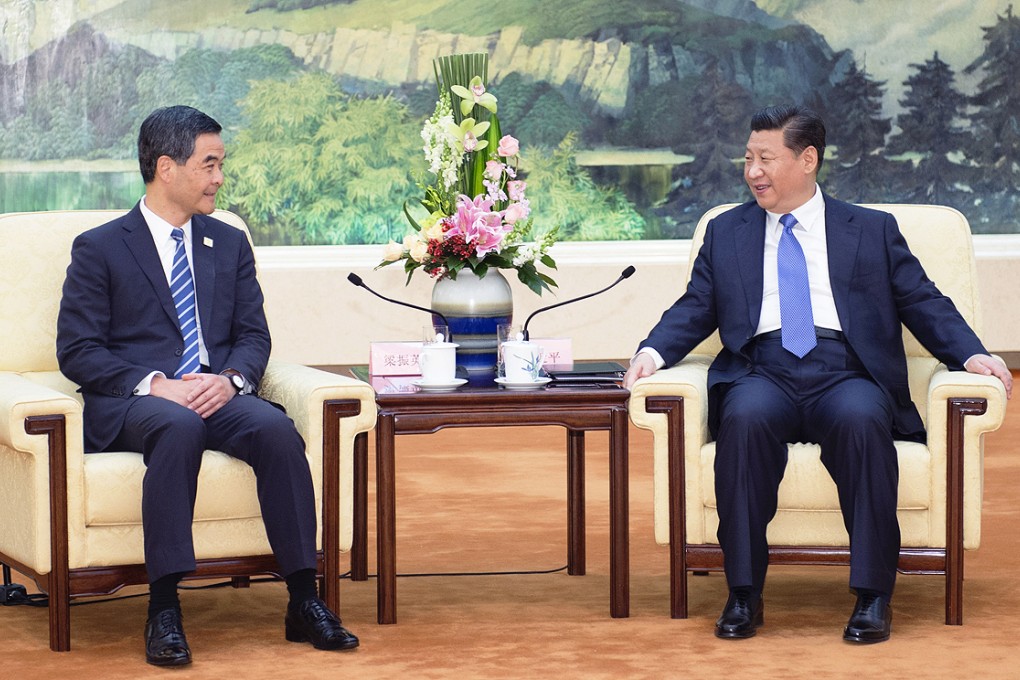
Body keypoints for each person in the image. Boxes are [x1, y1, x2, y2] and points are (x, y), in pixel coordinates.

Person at [624, 104, 1012, 644]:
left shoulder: (871, 229)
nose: (753, 171)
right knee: (744, 421)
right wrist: (651, 351)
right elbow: (696, 305)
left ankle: (874, 596)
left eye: (766, 158)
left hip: (845, 370)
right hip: (763, 369)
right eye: (748, 158)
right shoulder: (727, 230)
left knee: (861, 423)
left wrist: (971, 354)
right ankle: (743, 593)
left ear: (807, 159)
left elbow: (921, 299)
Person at [56, 105, 359, 666]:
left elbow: (252, 335)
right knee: (177, 424)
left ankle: (303, 598)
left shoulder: (229, 241)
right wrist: (153, 384)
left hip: (216, 393)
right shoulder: (99, 247)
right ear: (166, 168)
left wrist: (232, 379)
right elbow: (77, 351)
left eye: (222, 164)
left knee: (275, 428)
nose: (220, 177)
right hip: (141, 403)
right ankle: (164, 608)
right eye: (210, 164)